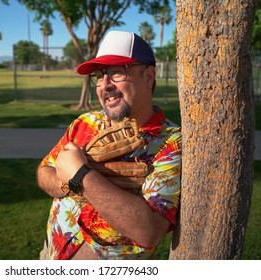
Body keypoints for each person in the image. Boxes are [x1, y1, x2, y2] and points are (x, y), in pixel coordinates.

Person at [37, 30, 181, 260]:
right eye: (99, 75)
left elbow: (150, 231)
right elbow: (44, 171)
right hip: (52, 253)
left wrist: (81, 176)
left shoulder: (171, 144)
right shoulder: (85, 123)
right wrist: (64, 181)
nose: (104, 85)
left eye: (116, 73)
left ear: (148, 77)